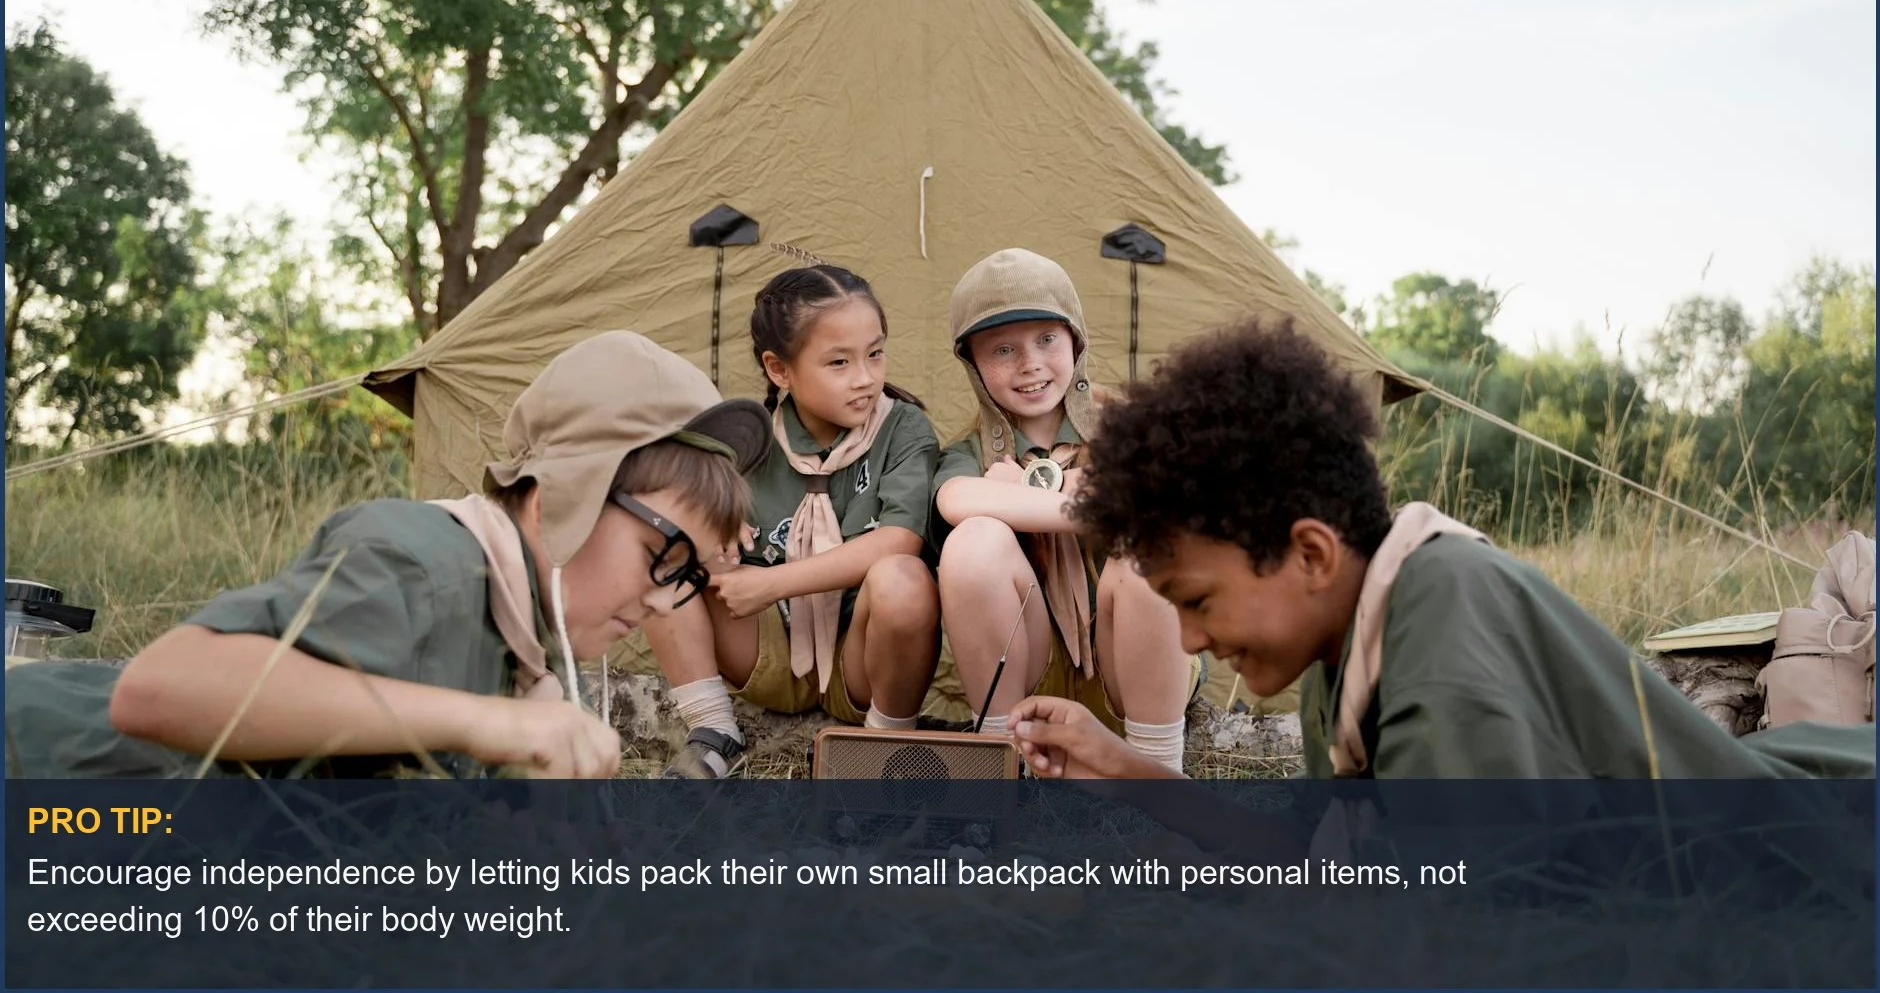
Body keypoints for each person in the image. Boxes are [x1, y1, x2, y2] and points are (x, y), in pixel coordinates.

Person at [1009, 318, 1877, 781]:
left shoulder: (1438, 633)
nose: (1191, 640)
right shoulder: (1343, 643)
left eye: (1198, 601)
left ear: (1311, 554)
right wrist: (1123, 766)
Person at [5, 332, 769, 780]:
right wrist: (484, 722)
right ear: (561, 493)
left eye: (690, 577)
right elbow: (160, 689)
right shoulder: (428, 557)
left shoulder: (524, 654)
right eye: (662, 552)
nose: (663, 597)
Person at [642, 264, 942, 779]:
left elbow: (899, 539)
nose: (866, 377)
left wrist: (771, 583)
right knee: (662, 542)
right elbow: (655, 495)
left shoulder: (904, 429)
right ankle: (713, 731)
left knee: (902, 578)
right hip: (762, 653)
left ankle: (883, 746)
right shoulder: (744, 440)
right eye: (839, 362)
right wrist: (708, 519)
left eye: (875, 353)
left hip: (862, 663)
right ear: (780, 369)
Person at [932, 248, 1197, 776]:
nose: (1029, 364)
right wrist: (1090, 503)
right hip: (1033, 675)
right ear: (975, 366)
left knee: (1147, 551)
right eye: (1003, 349)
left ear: (1075, 341)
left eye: (1047, 340)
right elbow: (956, 500)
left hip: (1134, 669)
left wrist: (1024, 501)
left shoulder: (1131, 427)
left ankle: (1158, 775)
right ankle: (1003, 765)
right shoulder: (972, 452)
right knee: (973, 542)